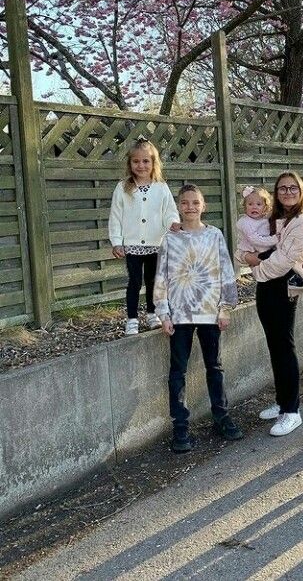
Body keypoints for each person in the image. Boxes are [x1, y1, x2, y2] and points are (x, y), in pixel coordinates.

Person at [153, 184, 242, 453]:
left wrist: (225, 307)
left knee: (214, 367)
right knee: (177, 370)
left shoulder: (214, 235)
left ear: (203, 206)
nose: (190, 207)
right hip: (179, 315)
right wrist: (163, 313)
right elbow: (161, 277)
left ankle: (221, 417)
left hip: (209, 313)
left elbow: (226, 271)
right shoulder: (169, 239)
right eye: (185, 202)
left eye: (195, 202)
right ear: (178, 206)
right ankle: (180, 428)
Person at [243, 172, 303, 436]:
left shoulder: (301, 222)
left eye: (292, 188)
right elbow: (246, 246)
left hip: (284, 286)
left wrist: (256, 267)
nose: (287, 192)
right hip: (266, 286)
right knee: (273, 344)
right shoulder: (269, 218)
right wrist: (248, 258)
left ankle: (292, 411)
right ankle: (282, 403)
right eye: (282, 188)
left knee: (284, 345)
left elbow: (285, 259)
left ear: (301, 191)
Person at [108, 140, 179, 335]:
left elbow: (169, 212)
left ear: (154, 163)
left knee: (153, 281)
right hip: (132, 244)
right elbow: (115, 216)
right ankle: (131, 319)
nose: (141, 166)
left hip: (156, 244)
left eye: (146, 161)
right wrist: (116, 241)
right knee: (135, 281)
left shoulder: (161, 187)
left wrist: (173, 223)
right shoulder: (122, 188)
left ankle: (151, 313)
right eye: (136, 162)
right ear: (130, 164)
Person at [235, 185, 303, 288]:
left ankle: (297, 278)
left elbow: (291, 254)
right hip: (262, 258)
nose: (254, 207)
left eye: (259, 204)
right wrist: (246, 256)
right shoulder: (247, 222)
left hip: (281, 271)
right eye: (250, 204)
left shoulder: (299, 223)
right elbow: (247, 247)